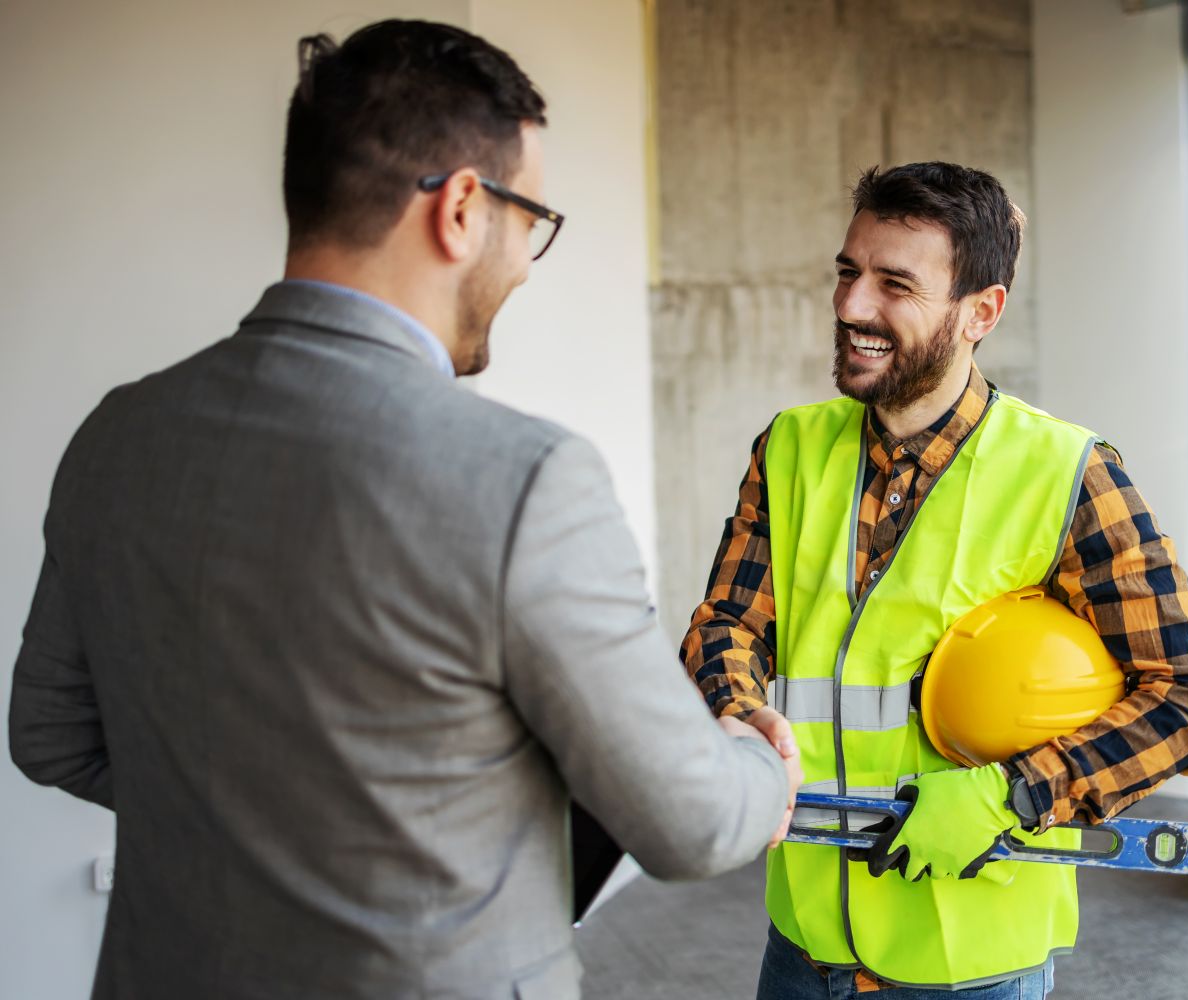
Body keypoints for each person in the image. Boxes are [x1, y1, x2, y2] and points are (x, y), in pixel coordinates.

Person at [8, 20, 800, 1000]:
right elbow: (690, 820)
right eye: (532, 225)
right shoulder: (524, 477)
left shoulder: (116, 437)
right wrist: (750, 759)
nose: (522, 262)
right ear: (463, 207)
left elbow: (50, 735)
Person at [681, 161, 1188, 997]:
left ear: (982, 312)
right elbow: (729, 621)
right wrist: (735, 707)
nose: (851, 306)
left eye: (894, 284)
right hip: (801, 943)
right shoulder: (788, 448)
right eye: (847, 271)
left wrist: (1011, 796)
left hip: (970, 966)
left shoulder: (1068, 473)